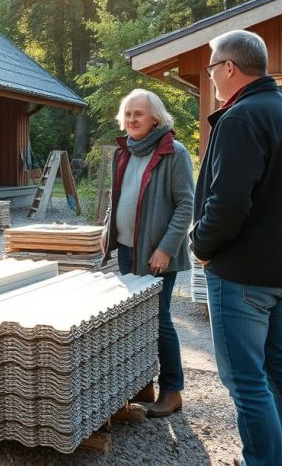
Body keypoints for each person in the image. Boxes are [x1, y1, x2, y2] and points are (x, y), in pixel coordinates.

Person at [192, 30, 282, 466]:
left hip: (242, 273)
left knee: (247, 382)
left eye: (211, 69)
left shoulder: (242, 117)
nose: (209, 78)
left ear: (229, 67)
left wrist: (201, 245)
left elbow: (228, 202)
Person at [100, 89, 194, 419]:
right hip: (127, 251)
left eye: (138, 113)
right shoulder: (123, 152)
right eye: (127, 114)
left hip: (156, 256)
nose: (132, 119)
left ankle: (172, 390)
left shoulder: (174, 152)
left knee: (160, 320)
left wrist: (166, 249)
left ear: (155, 117)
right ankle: (143, 385)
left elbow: (186, 206)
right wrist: (108, 228)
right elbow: (117, 196)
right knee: (135, 321)